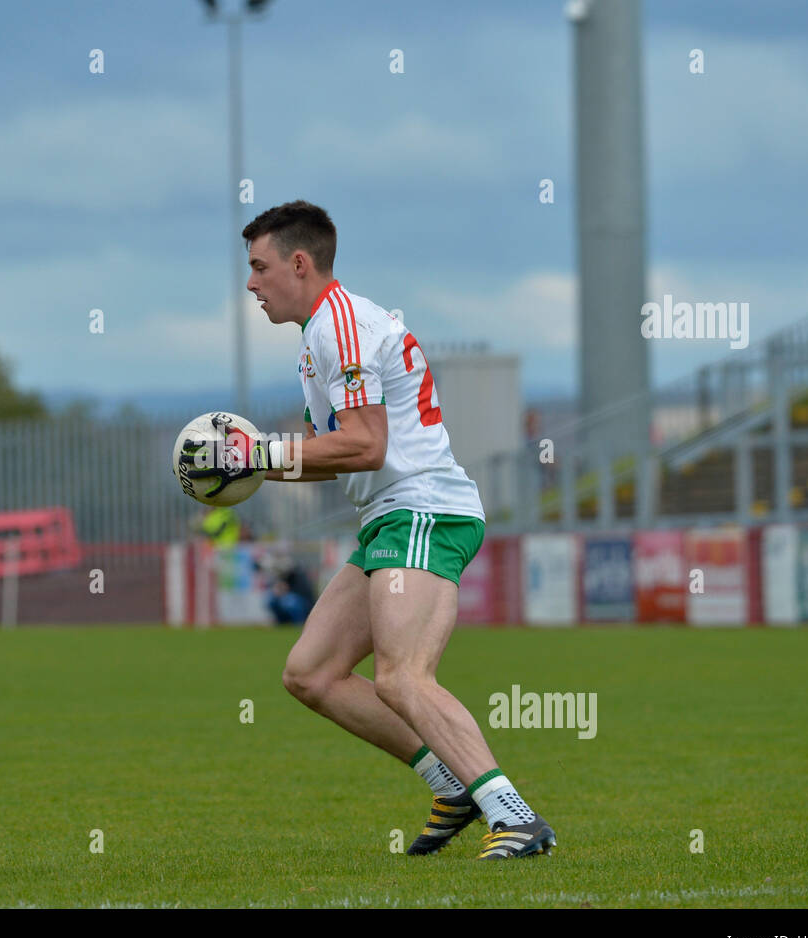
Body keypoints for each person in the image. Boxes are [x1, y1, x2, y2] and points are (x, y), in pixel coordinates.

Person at [181, 201, 554, 859]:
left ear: (299, 263)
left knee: (403, 676)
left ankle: (516, 816)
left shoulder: (341, 328)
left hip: (423, 509)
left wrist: (261, 454)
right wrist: (248, 473)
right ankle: (453, 782)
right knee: (312, 671)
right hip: (391, 513)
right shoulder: (321, 336)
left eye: (259, 267)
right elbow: (340, 454)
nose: (251, 283)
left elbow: (367, 445)